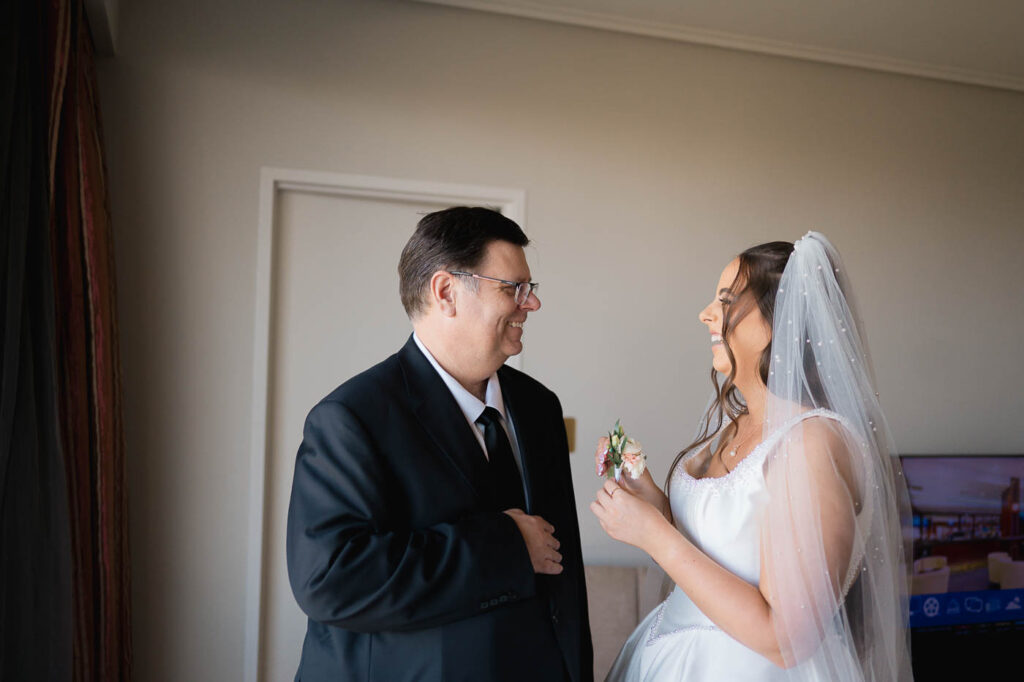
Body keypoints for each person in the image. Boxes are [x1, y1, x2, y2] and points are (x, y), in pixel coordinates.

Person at [286, 207, 593, 682]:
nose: (531, 304)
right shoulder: (351, 418)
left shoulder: (539, 408)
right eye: (513, 288)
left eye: (530, 289)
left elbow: (562, 578)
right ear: (446, 292)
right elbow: (330, 580)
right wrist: (506, 546)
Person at [591, 233, 913, 681]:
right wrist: (649, 496)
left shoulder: (811, 442)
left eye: (726, 300)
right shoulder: (733, 428)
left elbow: (784, 640)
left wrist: (651, 536)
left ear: (778, 321)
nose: (706, 314)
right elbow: (717, 545)